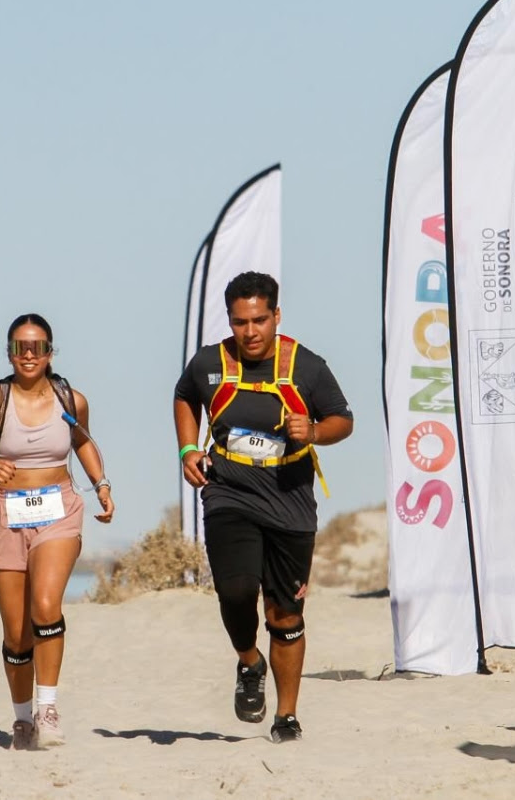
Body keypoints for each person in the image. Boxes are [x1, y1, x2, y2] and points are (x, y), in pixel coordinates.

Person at [173, 272, 354, 743]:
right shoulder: (209, 362)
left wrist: (313, 431)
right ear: (229, 321)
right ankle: (249, 661)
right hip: (228, 489)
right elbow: (185, 396)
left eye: (259, 320)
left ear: (276, 315)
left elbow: (343, 420)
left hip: (290, 497)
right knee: (234, 592)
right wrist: (187, 449)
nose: (250, 332)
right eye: (239, 322)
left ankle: (286, 715)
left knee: (285, 615)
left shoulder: (306, 366)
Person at [0, 313, 114, 751]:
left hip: (58, 509)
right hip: (5, 514)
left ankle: (48, 709)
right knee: (17, 635)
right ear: (9, 353)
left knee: (45, 604)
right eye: (20, 347)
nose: (29, 354)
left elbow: (83, 443)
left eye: (37, 347)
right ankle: (22, 717)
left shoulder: (70, 399)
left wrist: (101, 485)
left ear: (50, 353)